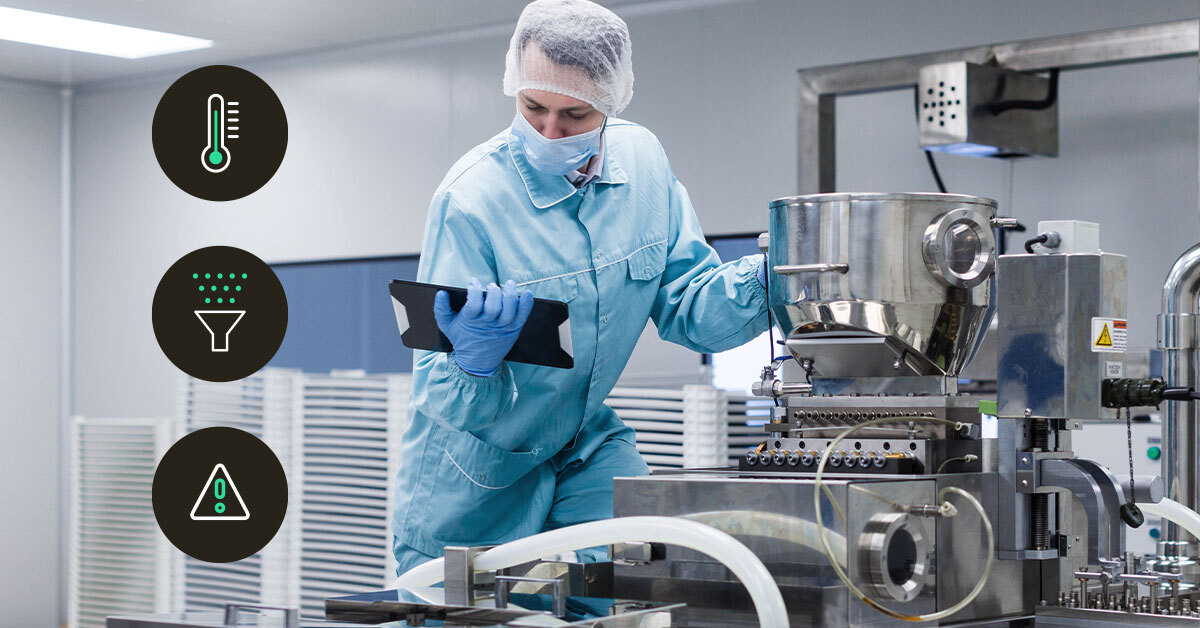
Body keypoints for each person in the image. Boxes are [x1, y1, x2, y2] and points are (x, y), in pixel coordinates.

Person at [391, 0, 768, 576]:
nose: (549, 131)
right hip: (477, 464)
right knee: (471, 603)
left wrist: (778, 278)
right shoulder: (469, 201)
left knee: (629, 578)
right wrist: (471, 364)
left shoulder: (643, 164)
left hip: (583, 441)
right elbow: (442, 390)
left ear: (612, 104)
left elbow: (691, 307)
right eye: (533, 107)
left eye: (575, 114)